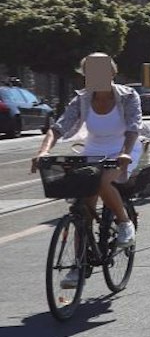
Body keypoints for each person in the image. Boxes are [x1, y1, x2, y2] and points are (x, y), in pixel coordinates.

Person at [29, 53, 142, 279]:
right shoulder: (81, 99)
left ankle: (124, 223)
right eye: (90, 72)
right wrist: (43, 151)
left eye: (101, 71)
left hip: (122, 150)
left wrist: (125, 153)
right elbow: (58, 127)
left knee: (100, 181)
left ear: (112, 72)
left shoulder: (128, 96)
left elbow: (133, 127)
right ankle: (79, 264)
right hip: (92, 152)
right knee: (83, 206)